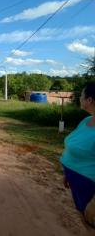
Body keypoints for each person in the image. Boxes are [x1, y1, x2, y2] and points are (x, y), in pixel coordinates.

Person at [60, 82, 95, 226]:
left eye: (81, 95)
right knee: (85, 222)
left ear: (90, 100)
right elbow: (74, 148)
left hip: (89, 187)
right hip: (76, 181)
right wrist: (68, 174)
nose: (79, 98)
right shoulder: (87, 120)